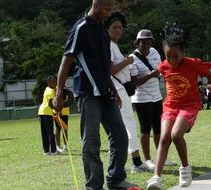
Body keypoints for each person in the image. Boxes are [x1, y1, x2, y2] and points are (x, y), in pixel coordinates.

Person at [53, 0, 136, 189]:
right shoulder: (81, 28)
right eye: (107, 9)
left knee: (120, 136)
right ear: (96, 4)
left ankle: (115, 179)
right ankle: (94, 185)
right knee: (91, 142)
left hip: (107, 93)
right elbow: (66, 60)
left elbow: (105, 65)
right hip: (88, 94)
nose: (108, 13)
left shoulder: (102, 31)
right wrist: (59, 92)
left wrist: (113, 90)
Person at [146, 27, 211, 189]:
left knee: (176, 134)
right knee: (163, 138)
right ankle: (156, 177)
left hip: (189, 106)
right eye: (168, 56)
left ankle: (185, 168)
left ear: (183, 52)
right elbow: (158, 71)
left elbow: (210, 75)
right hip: (170, 106)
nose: (172, 60)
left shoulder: (192, 64)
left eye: (176, 56)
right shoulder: (164, 66)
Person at [104, 11, 152, 173]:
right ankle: (136, 162)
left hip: (121, 90)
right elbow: (109, 71)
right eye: (114, 27)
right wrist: (127, 61)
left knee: (122, 127)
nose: (118, 30)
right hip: (118, 90)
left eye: (120, 27)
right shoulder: (108, 45)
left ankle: (128, 161)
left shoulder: (113, 45)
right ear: (107, 28)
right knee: (129, 126)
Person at [130, 29, 174, 169]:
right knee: (145, 129)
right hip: (141, 98)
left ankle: (161, 157)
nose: (146, 45)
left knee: (158, 128)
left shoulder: (155, 52)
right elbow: (135, 82)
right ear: (137, 43)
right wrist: (151, 75)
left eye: (148, 42)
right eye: (143, 43)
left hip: (156, 95)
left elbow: (161, 68)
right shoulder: (133, 58)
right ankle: (148, 159)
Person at [38, 75, 58, 155]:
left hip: (41, 112)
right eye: (53, 82)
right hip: (46, 113)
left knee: (44, 132)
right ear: (49, 83)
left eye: (55, 82)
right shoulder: (51, 91)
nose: (55, 83)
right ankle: (53, 151)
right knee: (50, 132)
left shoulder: (47, 89)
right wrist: (56, 109)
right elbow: (50, 104)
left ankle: (46, 151)